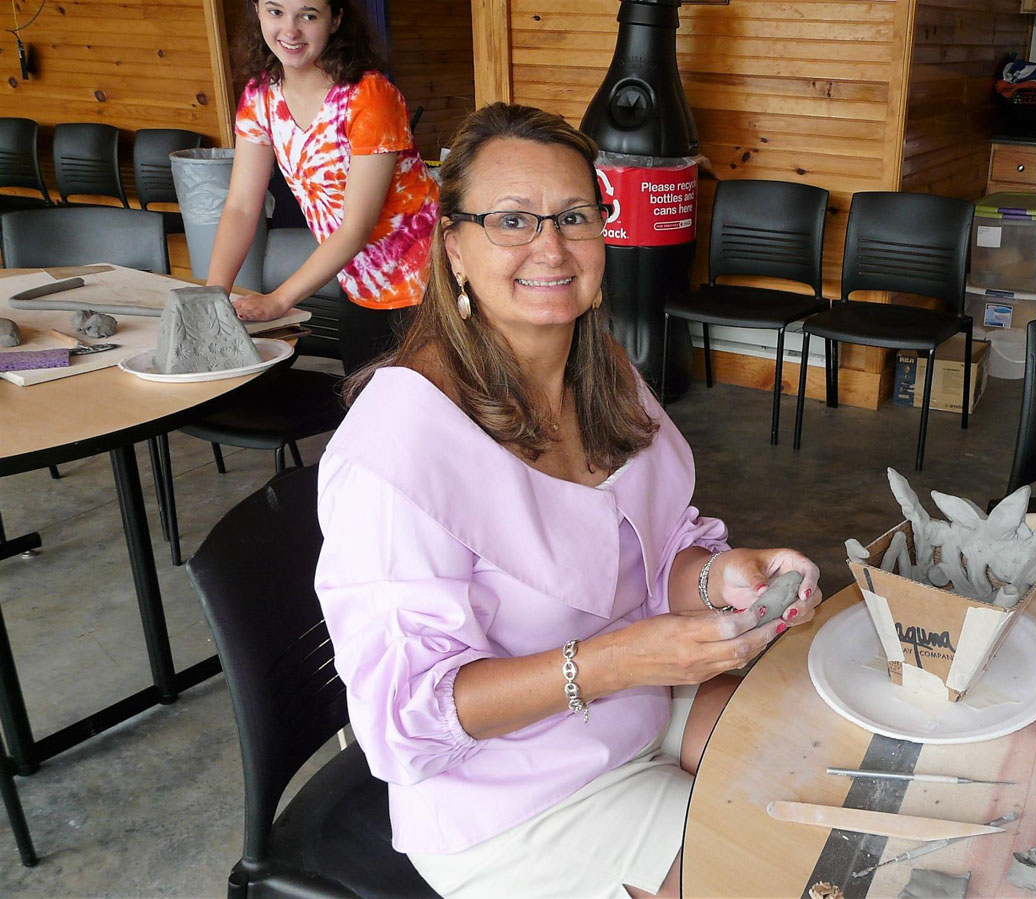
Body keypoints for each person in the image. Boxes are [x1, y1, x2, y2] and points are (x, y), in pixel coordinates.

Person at [314, 103, 823, 899]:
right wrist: (622, 660)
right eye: (512, 219)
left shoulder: (601, 369)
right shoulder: (397, 449)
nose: (550, 247)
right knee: (783, 872)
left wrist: (723, 576)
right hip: (509, 795)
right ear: (454, 246)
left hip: (636, 703)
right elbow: (404, 720)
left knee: (818, 773)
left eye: (575, 216)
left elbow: (651, 547)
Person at [207, 0, 439, 371]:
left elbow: (355, 228)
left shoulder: (369, 96)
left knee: (421, 404)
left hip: (427, 283)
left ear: (336, 20)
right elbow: (241, 206)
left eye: (308, 15)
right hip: (358, 284)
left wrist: (279, 299)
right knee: (363, 400)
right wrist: (212, 294)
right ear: (257, 12)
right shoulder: (259, 96)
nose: (290, 30)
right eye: (275, 12)